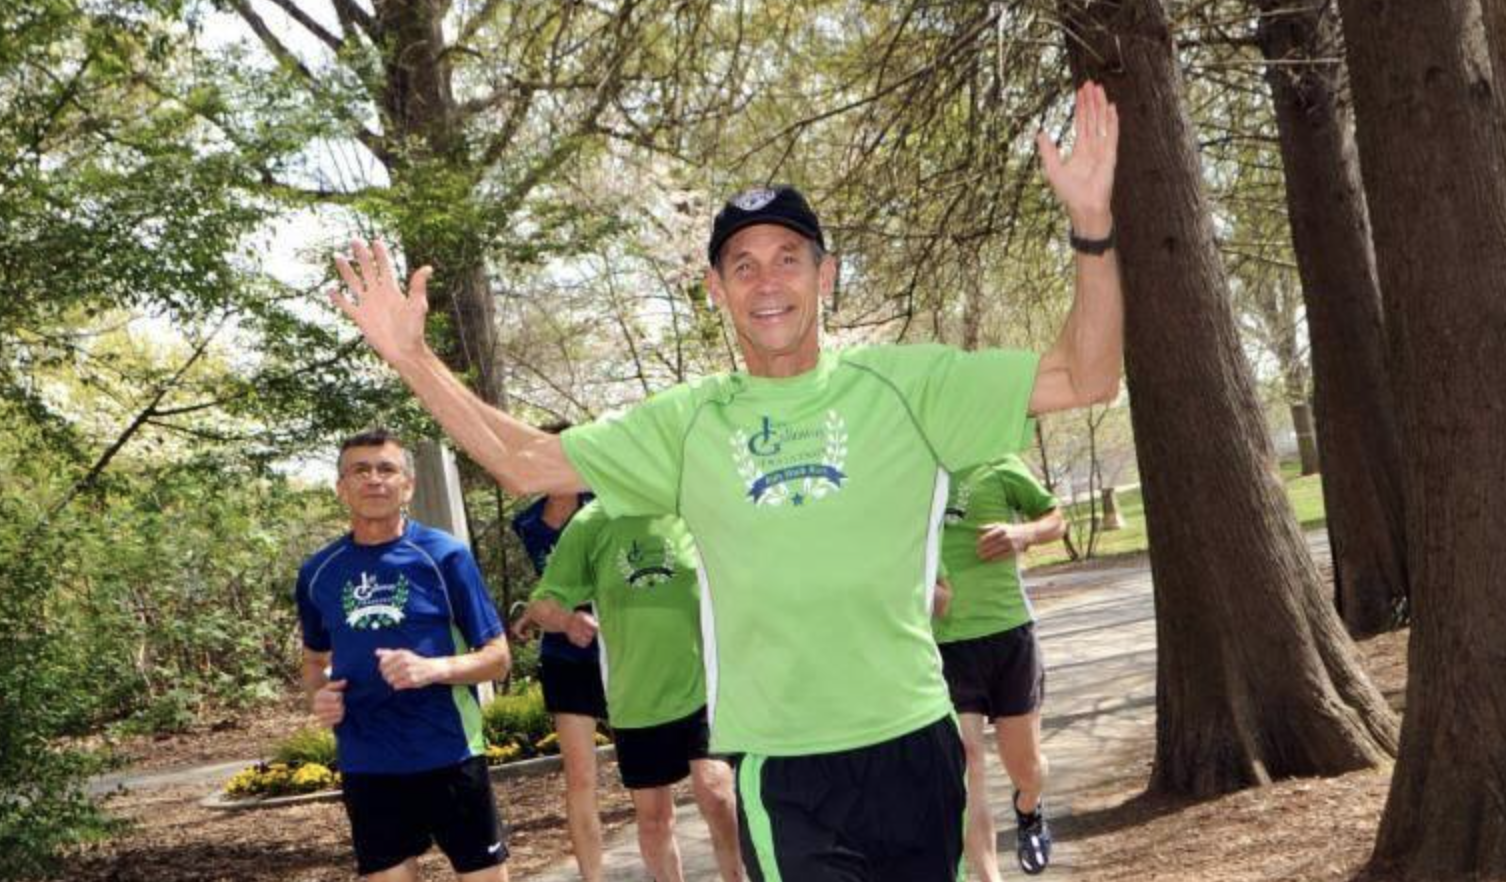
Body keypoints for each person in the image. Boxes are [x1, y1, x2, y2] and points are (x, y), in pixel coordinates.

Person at [327, 81, 1121, 882]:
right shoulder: (687, 424)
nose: (766, 282)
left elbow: (1086, 376)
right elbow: (526, 461)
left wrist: (1092, 223)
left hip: (912, 742)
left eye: (788, 259)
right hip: (783, 768)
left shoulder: (907, 386)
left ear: (826, 275)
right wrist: (413, 358)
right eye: (743, 265)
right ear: (716, 290)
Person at [295, 429, 512, 882]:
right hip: (367, 761)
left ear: (407, 486)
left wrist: (433, 668)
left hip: (449, 750)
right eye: (360, 470)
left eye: (386, 469)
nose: (374, 479)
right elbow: (314, 661)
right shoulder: (318, 572)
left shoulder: (445, 556)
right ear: (341, 488)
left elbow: (497, 658)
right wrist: (319, 696)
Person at [522, 502, 744, 882]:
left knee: (716, 791)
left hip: (702, 686)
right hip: (635, 699)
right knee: (655, 820)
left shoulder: (684, 501)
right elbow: (542, 602)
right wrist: (567, 620)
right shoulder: (591, 522)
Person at [935, 453, 1067, 878]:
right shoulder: (911, 463)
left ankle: (1029, 807)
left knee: (1027, 768)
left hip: (1009, 634)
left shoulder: (996, 460)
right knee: (968, 761)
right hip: (946, 643)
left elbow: (1056, 519)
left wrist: (1022, 533)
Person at [509, 475, 608, 882]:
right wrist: (535, 614)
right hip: (563, 654)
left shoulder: (605, 504)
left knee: (648, 779)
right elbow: (549, 584)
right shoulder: (526, 522)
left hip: (616, 645)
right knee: (580, 775)